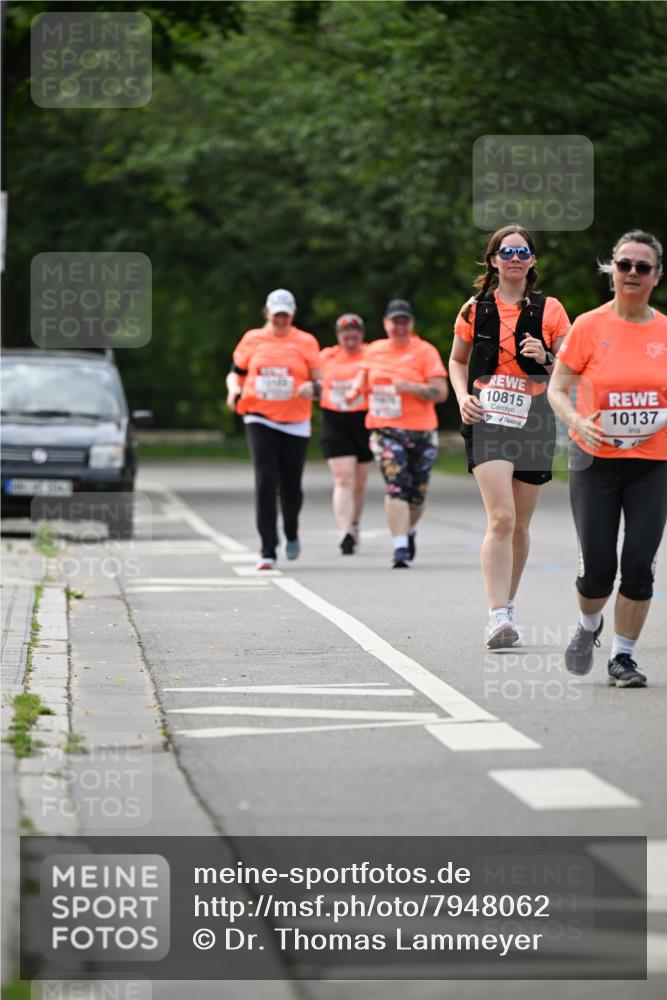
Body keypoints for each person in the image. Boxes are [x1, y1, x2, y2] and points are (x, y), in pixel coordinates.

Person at [548, 230, 667, 688]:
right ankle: (589, 625)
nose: (632, 273)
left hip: (652, 463)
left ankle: (623, 657)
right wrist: (575, 422)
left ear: (656, 276)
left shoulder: (663, 332)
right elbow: (558, 389)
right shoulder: (589, 326)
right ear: (611, 271)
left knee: (639, 563)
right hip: (594, 461)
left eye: (642, 267)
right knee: (598, 570)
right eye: (624, 265)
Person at [448, 226, 570, 648]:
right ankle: (496, 615)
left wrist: (548, 357)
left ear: (532, 261)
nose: (514, 258)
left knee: (520, 524)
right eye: (506, 251)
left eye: (522, 251)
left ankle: (510, 604)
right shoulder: (473, 309)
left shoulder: (551, 310)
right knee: (501, 517)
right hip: (487, 417)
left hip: (534, 419)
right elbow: (457, 360)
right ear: (493, 260)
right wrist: (462, 396)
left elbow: (571, 371)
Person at [346, 299, 448, 568]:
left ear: (411, 324)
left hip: (422, 431)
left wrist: (411, 388)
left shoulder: (425, 351)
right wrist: (354, 391)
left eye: (404, 322)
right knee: (396, 486)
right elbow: (363, 375)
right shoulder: (375, 350)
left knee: (417, 494)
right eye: (395, 322)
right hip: (385, 429)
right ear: (385, 323)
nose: (399, 327)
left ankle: (409, 530)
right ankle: (400, 547)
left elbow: (441, 392)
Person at [225, 289, 320, 570]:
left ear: (292, 315)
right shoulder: (252, 339)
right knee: (266, 480)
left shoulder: (305, 341)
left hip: (295, 421)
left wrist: (311, 388)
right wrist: (233, 390)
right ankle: (267, 549)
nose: (280, 320)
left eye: (285, 315)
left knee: (291, 487)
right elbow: (236, 372)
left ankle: (291, 530)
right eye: (276, 314)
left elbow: (321, 383)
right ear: (267, 313)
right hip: (258, 416)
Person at [319, 313, 373, 554]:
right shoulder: (327, 357)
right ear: (338, 336)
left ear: (361, 336)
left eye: (354, 336)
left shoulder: (372, 354)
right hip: (334, 419)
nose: (350, 341)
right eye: (345, 337)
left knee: (359, 481)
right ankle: (345, 531)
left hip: (364, 419)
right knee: (343, 478)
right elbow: (310, 377)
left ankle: (354, 523)